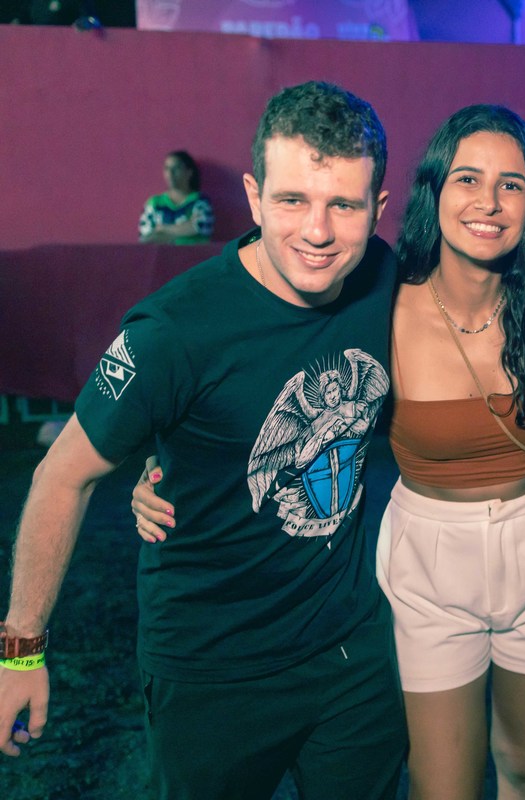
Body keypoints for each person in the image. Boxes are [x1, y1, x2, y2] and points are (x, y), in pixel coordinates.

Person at [133, 104, 525, 800]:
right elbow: (279, 370)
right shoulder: (382, 297)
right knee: (442, 786)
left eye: (512, 184)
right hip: (428, 562)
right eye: (467, 178)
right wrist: (169, 465)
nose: (489, 202)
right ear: (432, 190)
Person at [0, 81, 409, 799]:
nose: (317, 232)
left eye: (343, 206)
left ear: (377, 209)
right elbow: (61, 475)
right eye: (292, 201)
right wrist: (20, 650)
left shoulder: (386, 281)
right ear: (253, 197)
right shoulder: (174, 330)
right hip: (212, 672)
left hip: (352, 654)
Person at [138, 150, 215, 245]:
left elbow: (201, 227)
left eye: (176, 168)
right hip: (163, 254)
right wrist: (186, 228)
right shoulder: (155, 203)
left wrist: (162, 228)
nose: (170, 173)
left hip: (194, 254)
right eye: (167, 168)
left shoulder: (200, 201)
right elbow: (145, 238)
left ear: (189, 172)